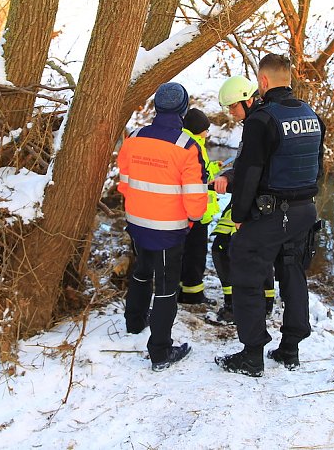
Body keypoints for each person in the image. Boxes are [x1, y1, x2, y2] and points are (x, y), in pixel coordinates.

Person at [215, 54, 325, 377]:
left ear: (262, 82)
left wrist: (239, 216)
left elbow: (250, 173)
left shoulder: (261, 120)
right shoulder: (311, 116)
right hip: (305, 211)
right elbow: (316, 168)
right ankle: (290, 348)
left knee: (245, 270)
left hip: (271, 212)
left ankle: (252, 355)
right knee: (292, 274)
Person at [118, 82, 208, 371]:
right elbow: (195, 198)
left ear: (156, 107)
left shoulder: (134, 137)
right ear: (183, 110)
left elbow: (124, 182)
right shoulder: (187, 146)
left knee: (142, 273)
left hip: (137, 221)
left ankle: (134, 322)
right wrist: (193, 220)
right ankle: (160, 351)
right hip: (169, 228)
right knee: (167, 287)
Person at [210, 76, 276, 323]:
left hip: (255, 202)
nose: (231, 112)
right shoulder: (257, 121)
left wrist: (240, 213)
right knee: (250, 252)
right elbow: (244, 165)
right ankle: (264, 301)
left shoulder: (259, 124)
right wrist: (228, 176)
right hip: (252, 199)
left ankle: (235, 305)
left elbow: (254, 170)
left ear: (248, 100)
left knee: (222, 248)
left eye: (233, 106)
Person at [178, 108, 221, 306]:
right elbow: (200, 180)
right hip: (198, 214)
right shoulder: (195, 146)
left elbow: (199, 172)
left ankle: (180, 290)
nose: (207, 133)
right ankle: (193, 294)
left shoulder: (182, 142)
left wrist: (213, 168)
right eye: (205, 129)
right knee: (196, 255)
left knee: (183, 253)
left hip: (183, 213)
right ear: (198, 129)